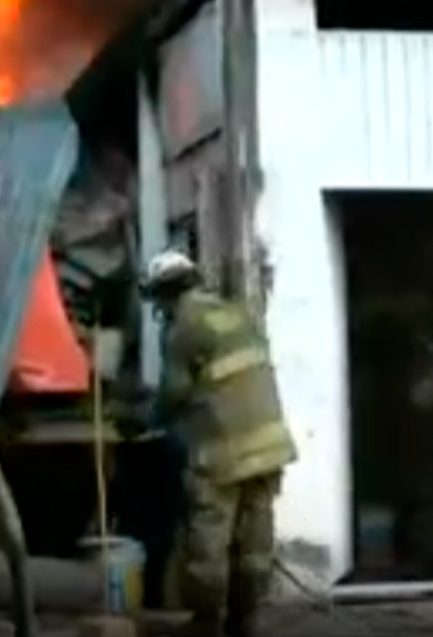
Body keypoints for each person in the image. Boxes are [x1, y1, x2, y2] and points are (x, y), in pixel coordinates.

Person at [140, 249, 297, 637]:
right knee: (255, 545)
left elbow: (174, 392)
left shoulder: (184, 326)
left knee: (209, 547)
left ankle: (207, 625)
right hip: (269, 448)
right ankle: (246, 623)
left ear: (164, 295)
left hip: (222, 453)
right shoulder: (237, 313)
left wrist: (144, 421)